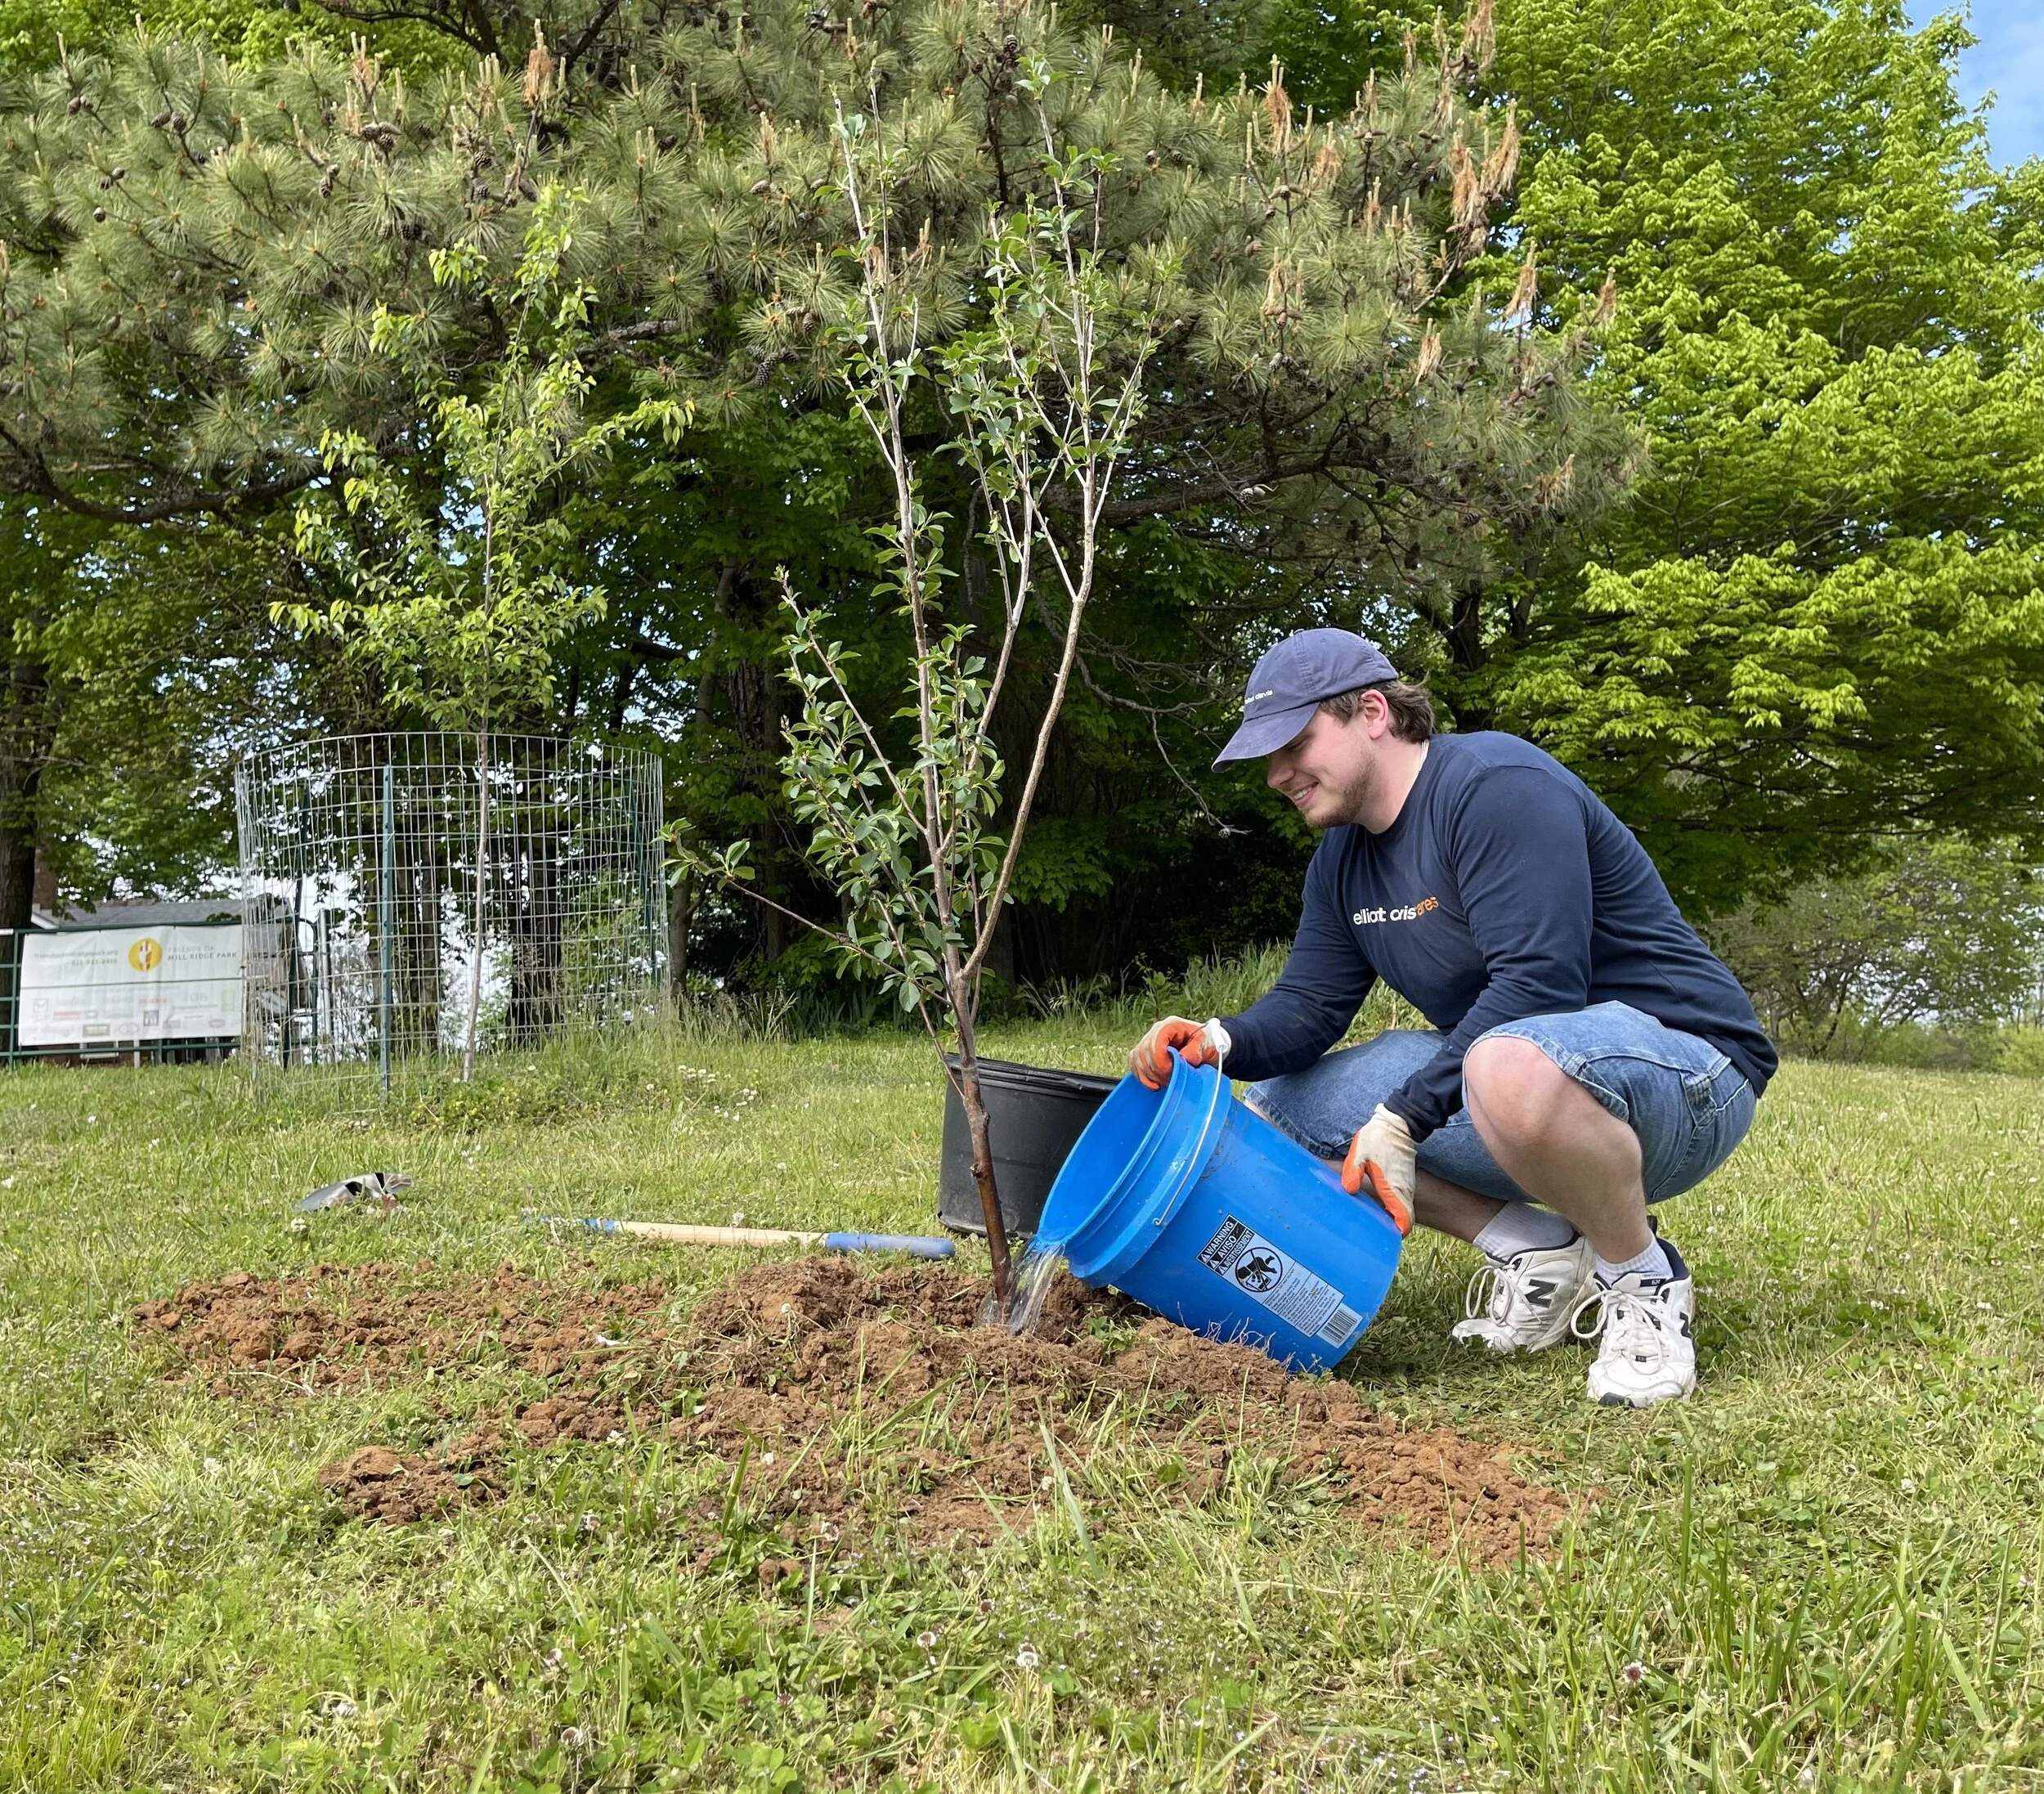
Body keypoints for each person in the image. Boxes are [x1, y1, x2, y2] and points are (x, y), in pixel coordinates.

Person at [1129, 630, 1775, 1406]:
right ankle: (1536, 1248)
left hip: (1690, 1074)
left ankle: (1642, 1279)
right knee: (1279, 1110)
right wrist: (1216, 1040)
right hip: (1522, 1078)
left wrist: (1402, 1117)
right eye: (1268, 758)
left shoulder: (1495, 787)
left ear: (1373, 712)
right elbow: (1310, 1007)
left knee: (1502, 1063)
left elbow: (1540, 983)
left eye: (1295, 744)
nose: (1276, 775)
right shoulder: (1342, 860)